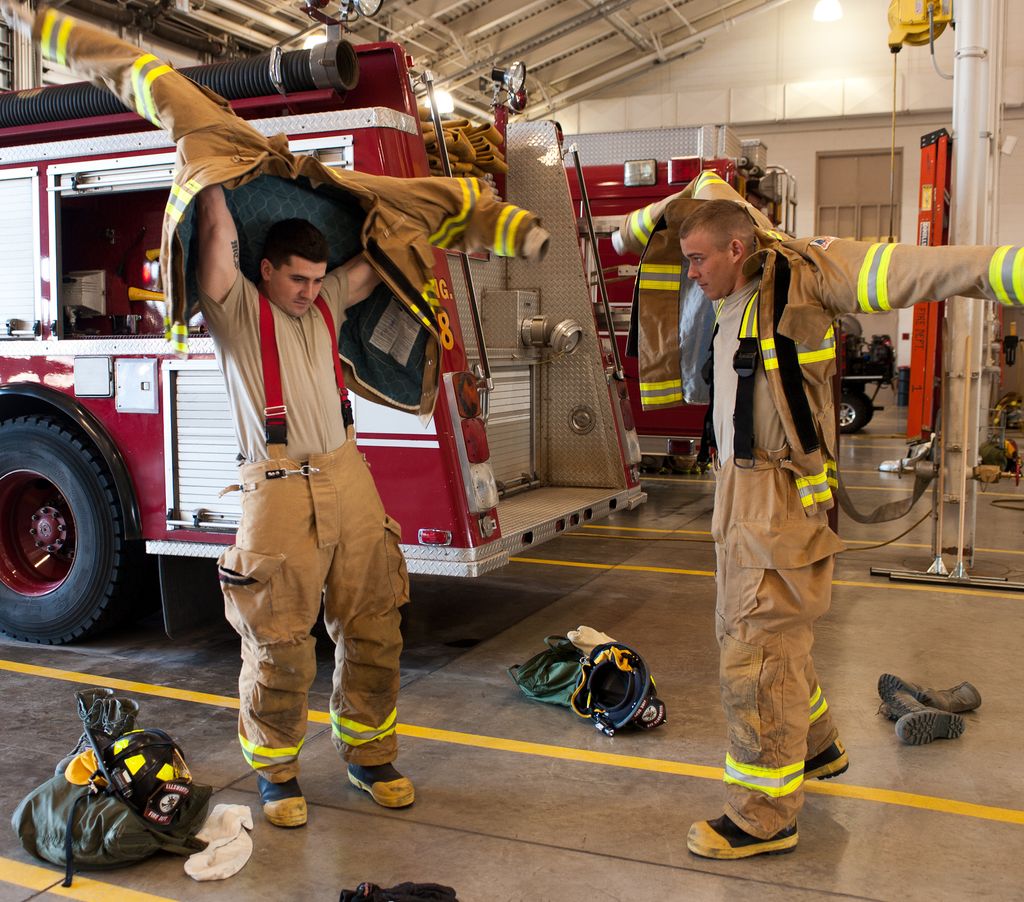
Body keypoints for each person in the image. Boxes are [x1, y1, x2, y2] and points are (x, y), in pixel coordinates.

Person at [618, 186, 1022, 860]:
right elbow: (631, 236)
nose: (690, 273)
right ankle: (818, 747)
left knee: (756, 650)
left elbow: (934, 267)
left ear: (737, 250)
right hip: (738, 491)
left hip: (773, 494)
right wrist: (693, 196)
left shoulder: (808, 275)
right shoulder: (728, 290)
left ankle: (762, 816)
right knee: (763, 635)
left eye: (697, 259)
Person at [195, 184, 413, 828]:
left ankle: (370, 755)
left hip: (349, 476)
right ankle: (276, 770)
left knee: (376, 622)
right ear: (264, 270)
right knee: (280, 642)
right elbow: (213, 235)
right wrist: (210, 178)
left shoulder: (325, 306)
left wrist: (427, 217)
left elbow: (375, 267)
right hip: (279, 487)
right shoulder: (237, 310)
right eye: (297, 279)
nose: (310, 292)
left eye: (318, 279)